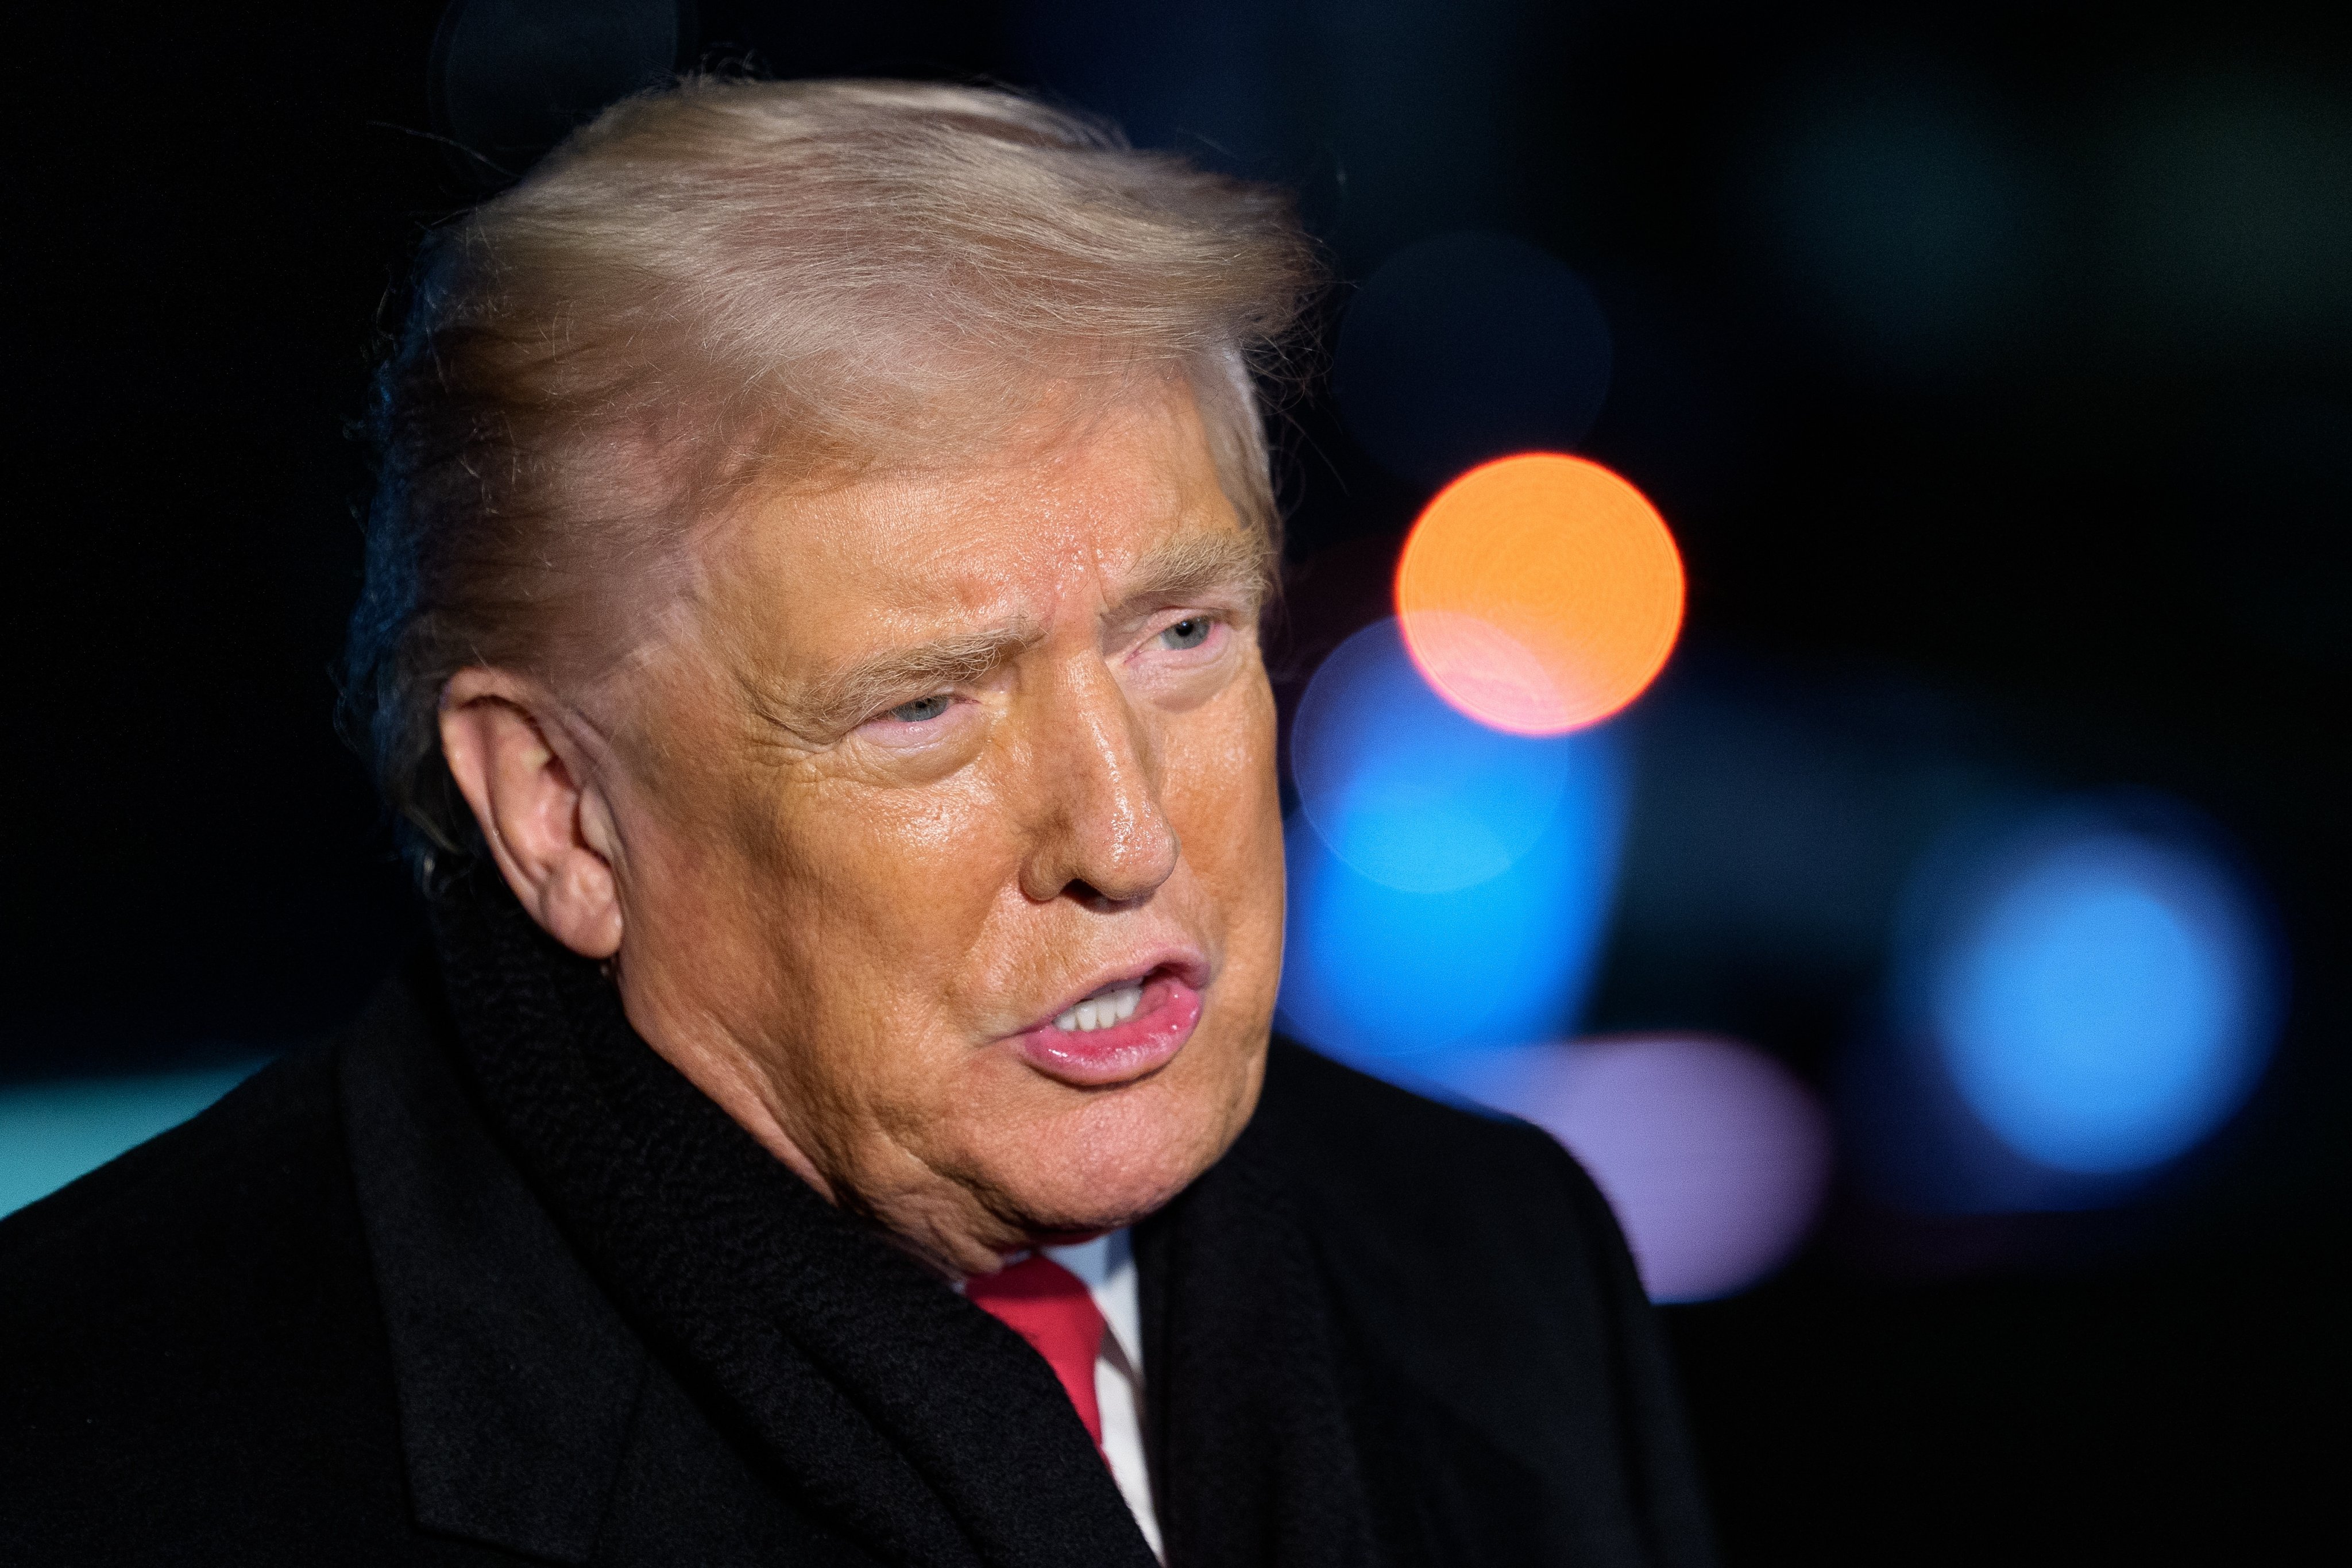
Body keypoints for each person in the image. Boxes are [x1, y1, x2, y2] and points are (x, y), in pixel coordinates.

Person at [0, 78, 1714, 1567]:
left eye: (1182, 635)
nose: (1124, 836)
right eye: (927, 706)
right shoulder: (110, 1443)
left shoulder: (1500, 1256)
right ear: (558, 809)